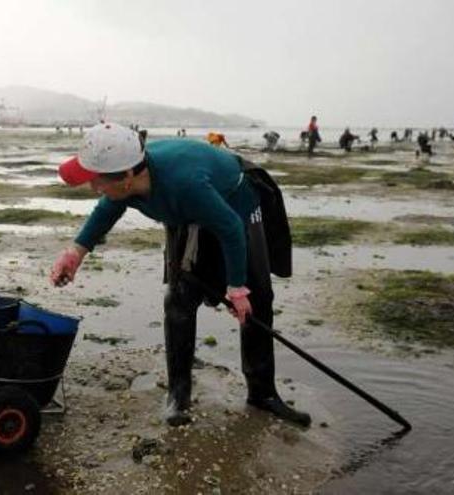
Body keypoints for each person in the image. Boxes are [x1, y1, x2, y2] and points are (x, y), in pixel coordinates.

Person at [49, 123, 310, 428]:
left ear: (128, 176)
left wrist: (237, 288)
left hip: (234, 204)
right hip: (185, 212)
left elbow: (230, 229)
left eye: (98, 181)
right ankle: (178, 396)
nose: (93, 188)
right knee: (179, 299)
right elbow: (107, 209)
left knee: (257, 301)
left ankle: (262, 393)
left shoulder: (185, 184)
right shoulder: (124, 184)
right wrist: (75, 252)